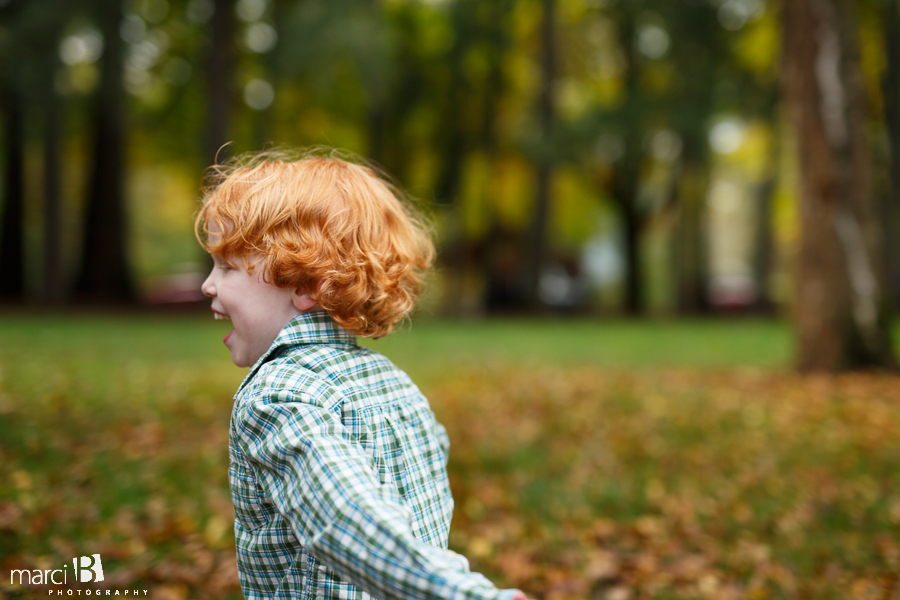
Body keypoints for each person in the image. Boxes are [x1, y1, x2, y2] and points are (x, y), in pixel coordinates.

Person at [196, 149, 528, 600]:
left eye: (228, 267)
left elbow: (343, 517)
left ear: (304, 286)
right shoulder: (395, 384)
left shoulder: (278, 395)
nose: (207, 285)